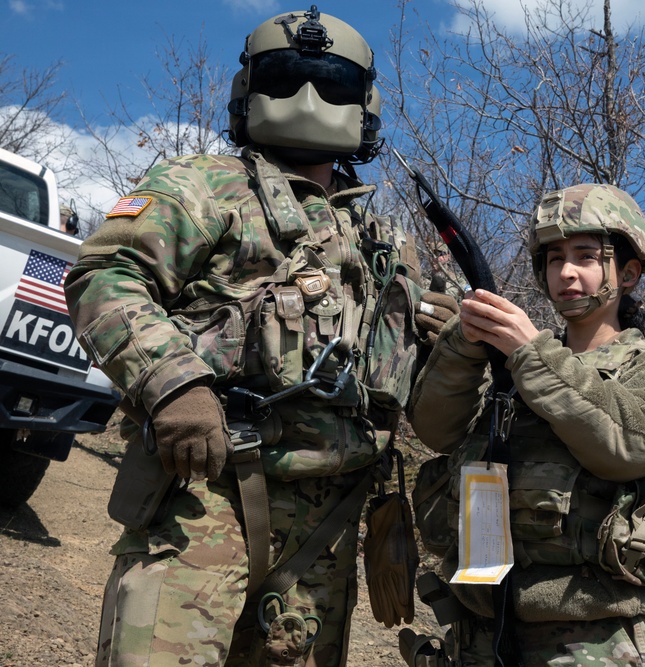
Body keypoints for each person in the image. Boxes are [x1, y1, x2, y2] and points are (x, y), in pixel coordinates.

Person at [64, 7, 457, 666]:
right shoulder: (202, 187)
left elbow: (419, 399)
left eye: (331, 84)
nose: (308, 98)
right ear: (249, 93)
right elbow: (105, 274)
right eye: (286, 78)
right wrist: (173, 384)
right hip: (205, 497)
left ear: (363, 107)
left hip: (327, 534)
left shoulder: (386, 245)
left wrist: (457, 352)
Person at [402, 183, 645, 666]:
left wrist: (530, 353)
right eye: (553, 259)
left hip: (588, 644)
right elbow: (437, 431)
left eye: (586, 257)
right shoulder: (515, 370)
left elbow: (623, 443)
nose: (566, 272)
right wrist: (463, 345)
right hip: (476, 633)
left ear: (627, 273)